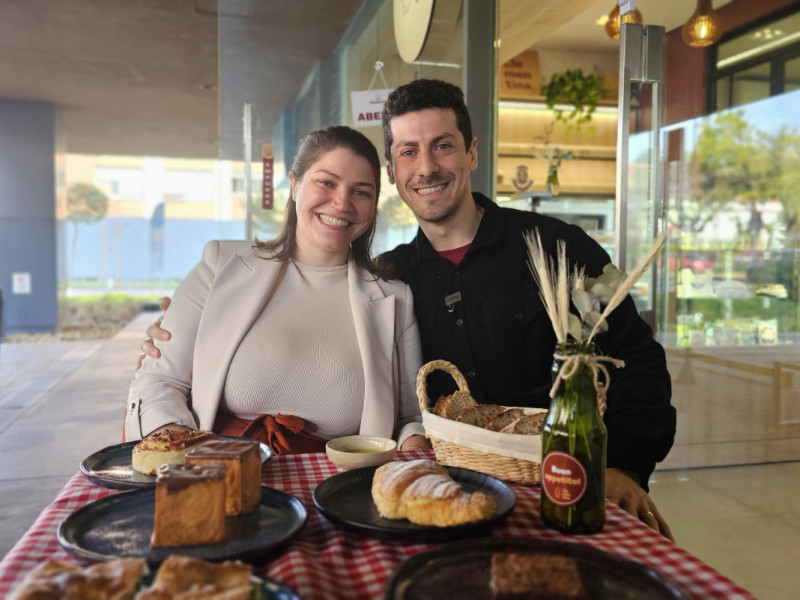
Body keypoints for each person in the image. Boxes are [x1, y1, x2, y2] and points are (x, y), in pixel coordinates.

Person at [141, 80, 676, 539]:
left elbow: (636, 357)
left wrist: (623, 464)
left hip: (565, 485)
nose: (427, 167)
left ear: (471, 151)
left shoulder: (556, 247)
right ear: (395, 176)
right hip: (447, 497)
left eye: (443, 147)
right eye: (408, 153)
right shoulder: (394, 279)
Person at [127, 125, 429, 454]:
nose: (342, 203)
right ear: (296, 184)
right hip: (213, 472)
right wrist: (181, 451)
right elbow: (160, 380)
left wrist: (415, 445)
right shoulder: (220, 266)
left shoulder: (395, 297)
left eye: (361, 192)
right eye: (326, 182)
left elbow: (409, 417)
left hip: (338, 494)